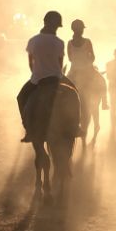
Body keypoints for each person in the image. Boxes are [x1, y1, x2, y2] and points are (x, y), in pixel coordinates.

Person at [17, 10, 77, 141]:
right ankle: (76, 126)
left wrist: (37, 74)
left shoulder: (33, 41)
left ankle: (28, 129)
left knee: (21, 97)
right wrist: (56, 74)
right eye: (56, 26)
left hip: (37, 79)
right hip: (56, 78)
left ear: (45, 22)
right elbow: (60, 65)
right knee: (75, 92)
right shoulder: (59, 42)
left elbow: (31, 63)